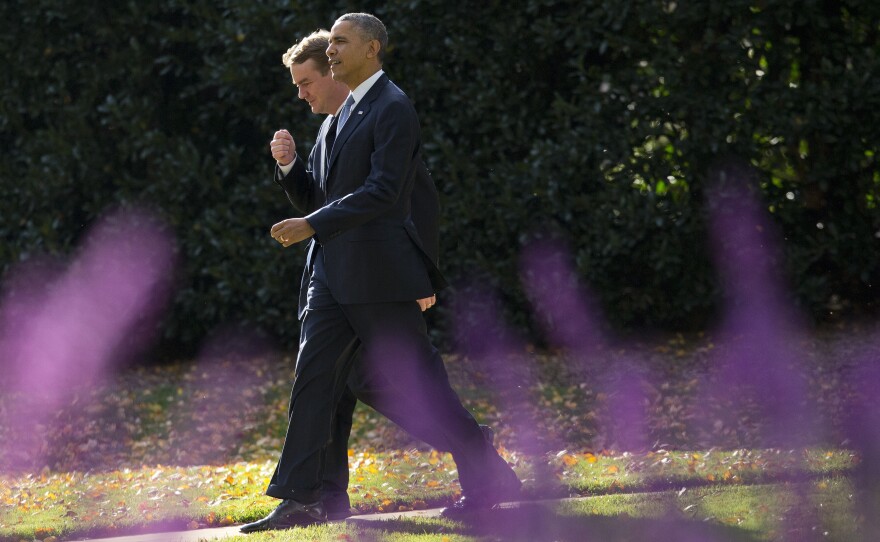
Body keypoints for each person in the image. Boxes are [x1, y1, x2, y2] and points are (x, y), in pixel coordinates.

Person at [239, 14, 520, 533]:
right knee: (314, 381)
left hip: (380, 279)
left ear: (372, 49)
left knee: (421, 387)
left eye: (340, 43)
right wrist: (289, 170)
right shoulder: (332, 123)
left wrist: (420, 277)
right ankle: (301, 498)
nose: (331, 53)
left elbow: (389, 193)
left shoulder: (394, 107)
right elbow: (319, 199)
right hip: (332, 278)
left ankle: (485, 471)